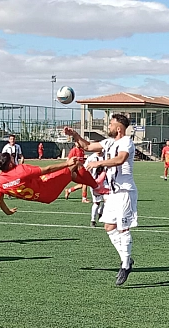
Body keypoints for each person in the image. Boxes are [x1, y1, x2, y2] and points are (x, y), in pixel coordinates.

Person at [64, 113, 138, 286]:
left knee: (123, 228)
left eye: (111, 124)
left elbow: (120, 159)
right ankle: (126, 259)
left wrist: (99, 163)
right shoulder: (108, 142)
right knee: (109, 226)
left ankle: (125, 265)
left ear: (118, 128)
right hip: (112, 193)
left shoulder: (126, 141)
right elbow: (88, 146)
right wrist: (75, 135)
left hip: (125, 192)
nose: (109, 126)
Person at [0, 152, 98, 211]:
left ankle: (92, 186)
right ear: (10, 164)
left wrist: (8, 212)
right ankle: (97, 186)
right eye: (11, 159)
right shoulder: (20, 171)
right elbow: (47, 169)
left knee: (71, 175)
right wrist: (67, 163)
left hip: (42, 196)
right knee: (75, 164)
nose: (13, 159)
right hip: (47, 187)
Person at [85, 148, 109, 227]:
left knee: (108, 200)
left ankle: (101, 213)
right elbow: (85, 169)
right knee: (96, 202)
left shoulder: (106, 156)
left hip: (106, 182)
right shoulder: (91, 158)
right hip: (95, 182)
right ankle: (93, 220)